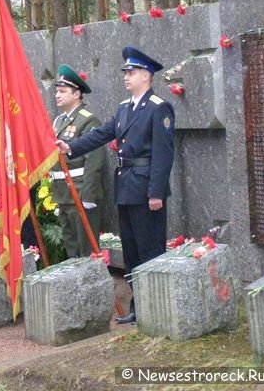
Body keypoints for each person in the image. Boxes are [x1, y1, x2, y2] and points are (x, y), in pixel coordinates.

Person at [56, 47, 175, 324]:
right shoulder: (124, 108)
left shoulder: (159, 108)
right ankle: (137, 305)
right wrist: (70, 146)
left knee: (149, 248)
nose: (126, 76)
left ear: (146, 76)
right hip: (126, 187)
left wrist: (156, 191)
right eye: (125, 72)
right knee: (132, 250)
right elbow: (101, 134)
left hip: (147, 190)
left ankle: (153, 304)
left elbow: (163, 153)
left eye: (131, 72)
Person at [50, 65, 106, 258]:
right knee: (71, 249)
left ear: (77, 94)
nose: (57, 95)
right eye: (57, 91)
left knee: (86, 249)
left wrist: (88, 195)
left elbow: (95, 160)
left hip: (80, 192)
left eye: (63, 91)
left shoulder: (88, 121)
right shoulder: (58, 121)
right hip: (63, 193)